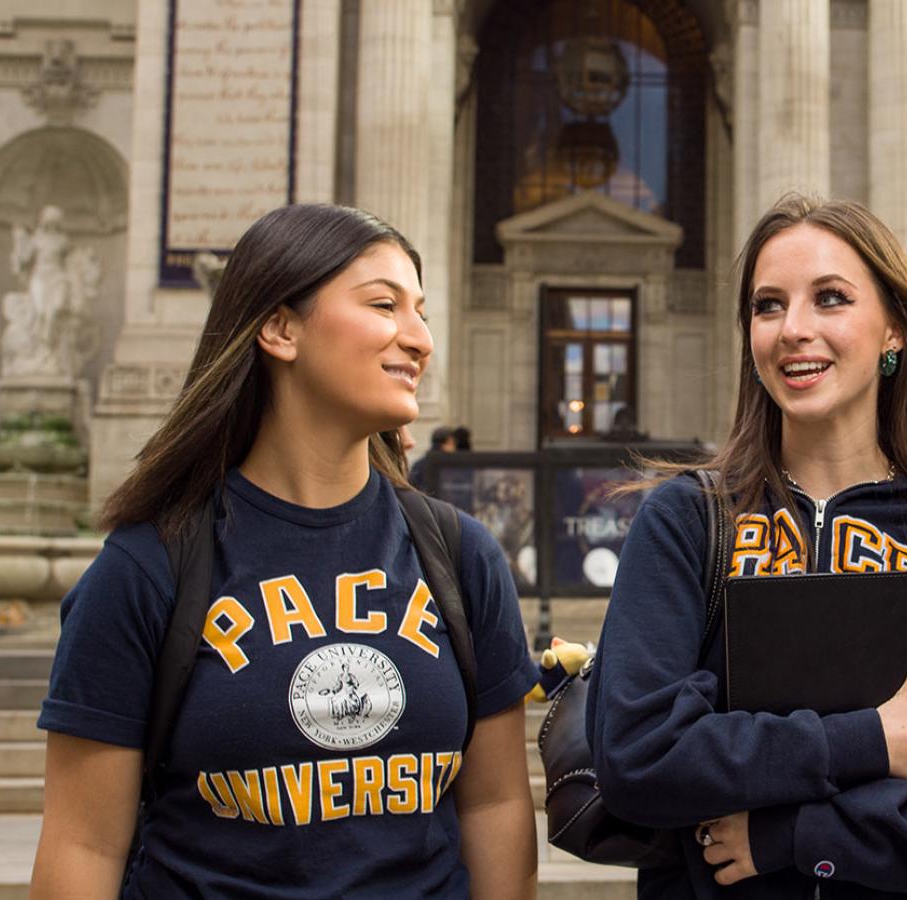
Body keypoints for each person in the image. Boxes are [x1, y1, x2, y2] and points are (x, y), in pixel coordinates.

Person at [30, 204, 539, 899]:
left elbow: (495, 805)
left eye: (420, 312)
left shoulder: (461, 553)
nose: (419, 340)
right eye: (384, 305)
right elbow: (82, 846)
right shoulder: (148, 566)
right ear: (279, 327)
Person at [588, 195, 907, 898]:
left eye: (832, 299)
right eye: (768, 305)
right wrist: (868, 743)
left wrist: (794, 838)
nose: (794, 330)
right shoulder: (688, 520)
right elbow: (637, 753)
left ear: (894, 329)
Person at [408, 425, 456, 493]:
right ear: (444, 445)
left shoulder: (419, 464)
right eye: (452, 444)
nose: (454, 449)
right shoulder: (449, 465)